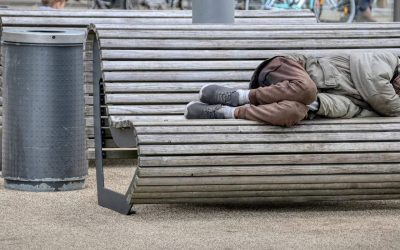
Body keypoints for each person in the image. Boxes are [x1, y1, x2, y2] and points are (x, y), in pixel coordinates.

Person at [185, 51, 400, 127]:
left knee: (295, 112)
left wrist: (315, 106)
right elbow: (380, 93)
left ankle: (227, 112)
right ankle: (240, 96)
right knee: (307, 89)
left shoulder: (374, 104)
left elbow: (344, 108)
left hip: (297, 97)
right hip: (285, 69)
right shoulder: (386, 61)